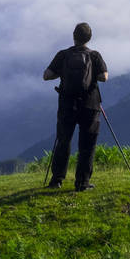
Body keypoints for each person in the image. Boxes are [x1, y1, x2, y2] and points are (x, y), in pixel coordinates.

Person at [43, 22, 109, 192]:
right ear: (89, 37)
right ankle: (82, 182)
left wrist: (63, 73)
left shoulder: (63, 55)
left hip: (67, 103)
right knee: (87, 144)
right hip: (90, 105)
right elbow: (104, 77)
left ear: (74, 36)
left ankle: (57, 180)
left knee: (63, 141)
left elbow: (47, 75)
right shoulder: (94, 56)